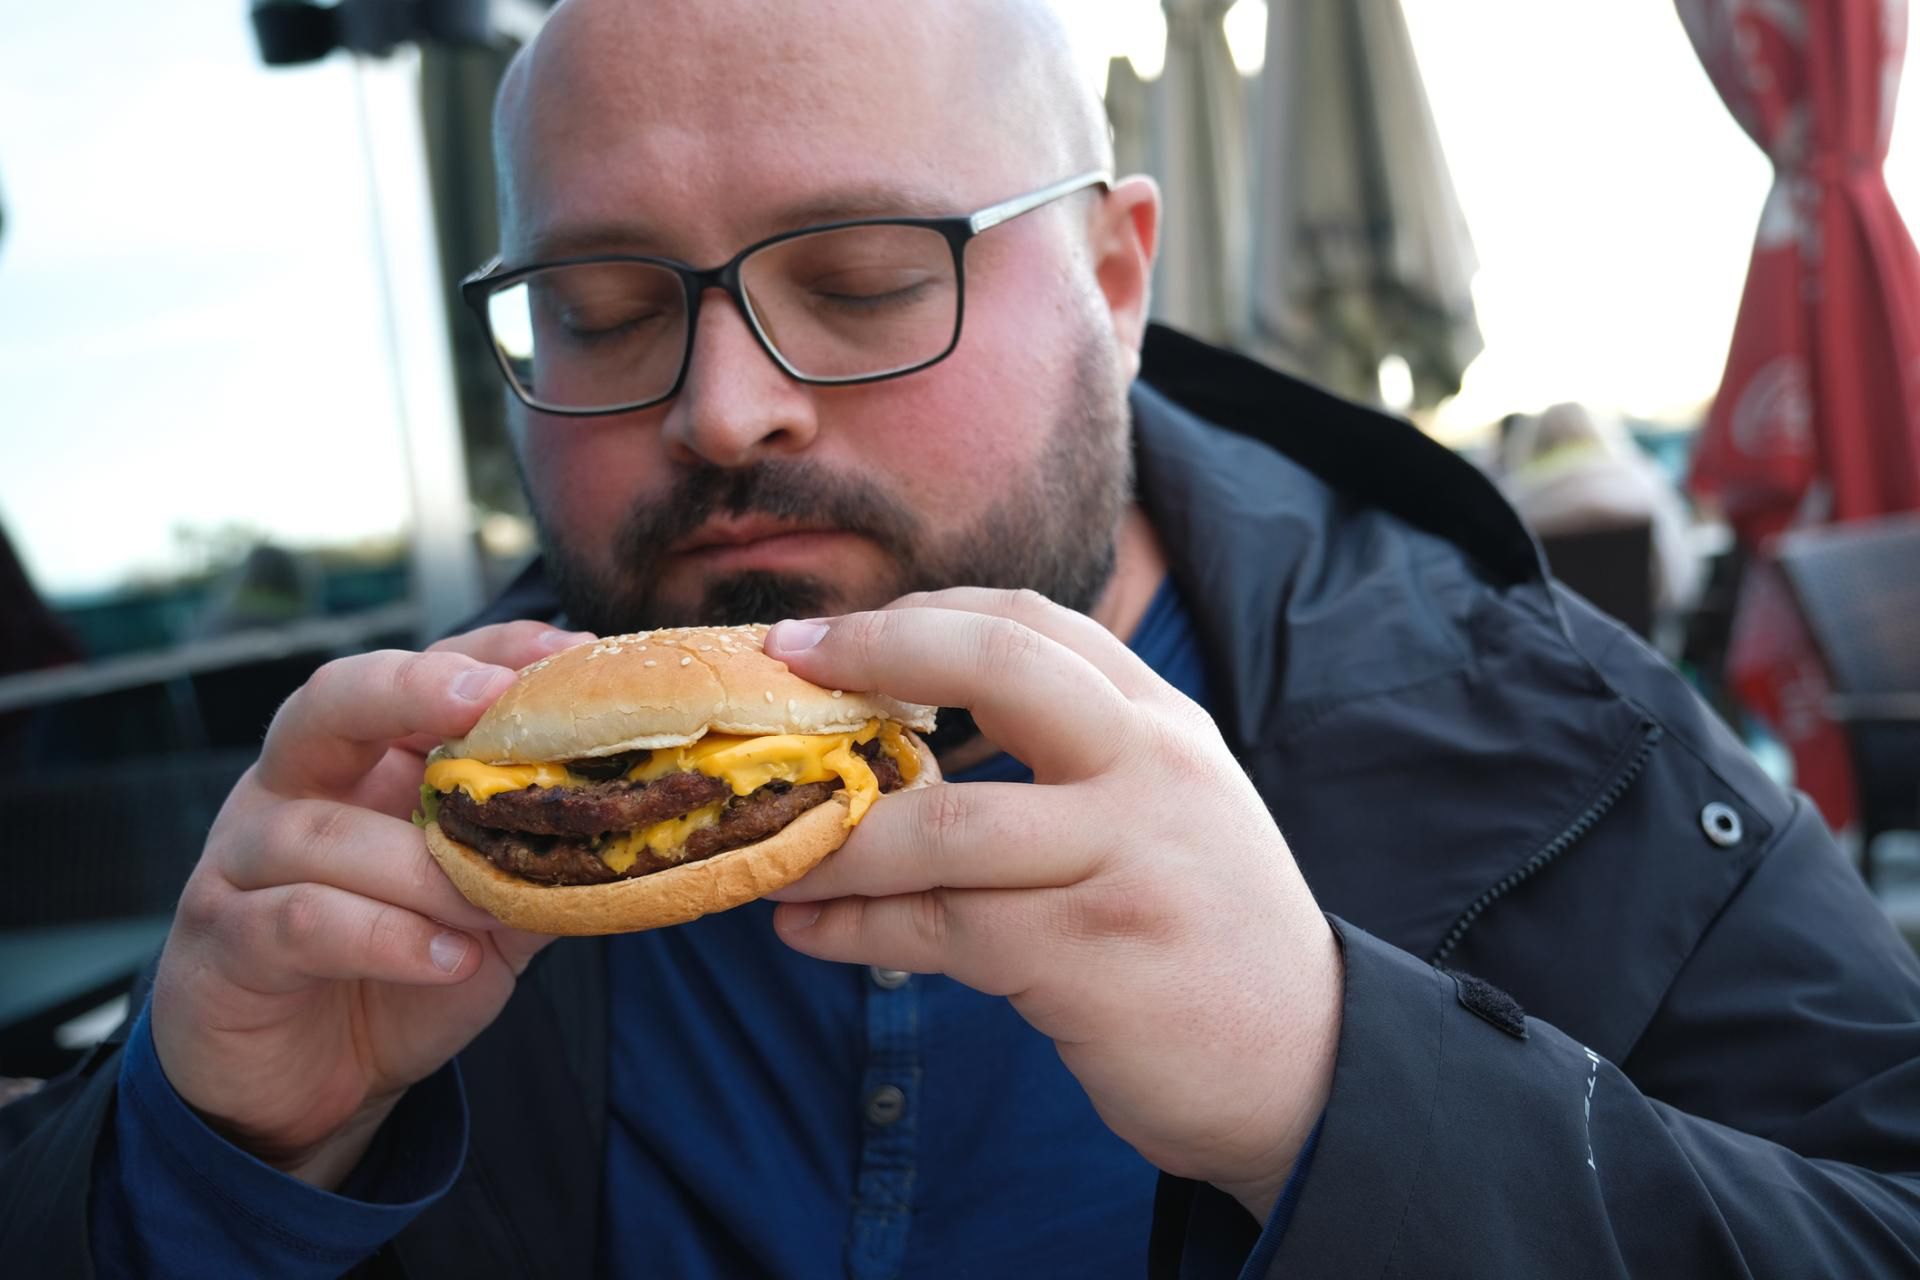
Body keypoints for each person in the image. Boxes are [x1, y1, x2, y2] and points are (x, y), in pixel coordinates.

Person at [4, 1, 1919, 1274]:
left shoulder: (1554, 737)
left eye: (857, 281)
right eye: (596, 312)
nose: (723, 407)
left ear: (1114, 277)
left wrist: (1352, 1086)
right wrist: (194, 1177)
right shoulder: (398, 812)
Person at [1493, 401, 1704, 616]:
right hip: (1637, 641)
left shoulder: (1514, 502)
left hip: (1546, 640)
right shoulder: (1642, 486)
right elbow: (1678, 583)